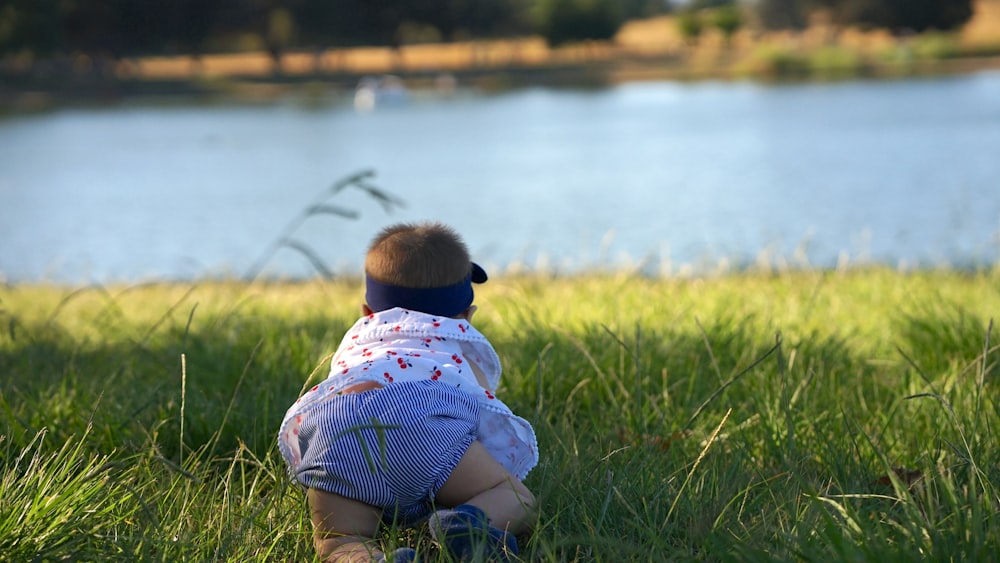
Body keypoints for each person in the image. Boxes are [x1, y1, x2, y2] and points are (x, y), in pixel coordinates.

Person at [278, 222, 538, 562]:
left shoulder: (357, 344)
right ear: (467, 318)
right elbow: (484, 424)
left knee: (340, 541)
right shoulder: (458, 349)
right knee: (516, 498)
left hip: (338, 426)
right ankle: (464, 524)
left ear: (367, 314)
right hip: (420, 422)